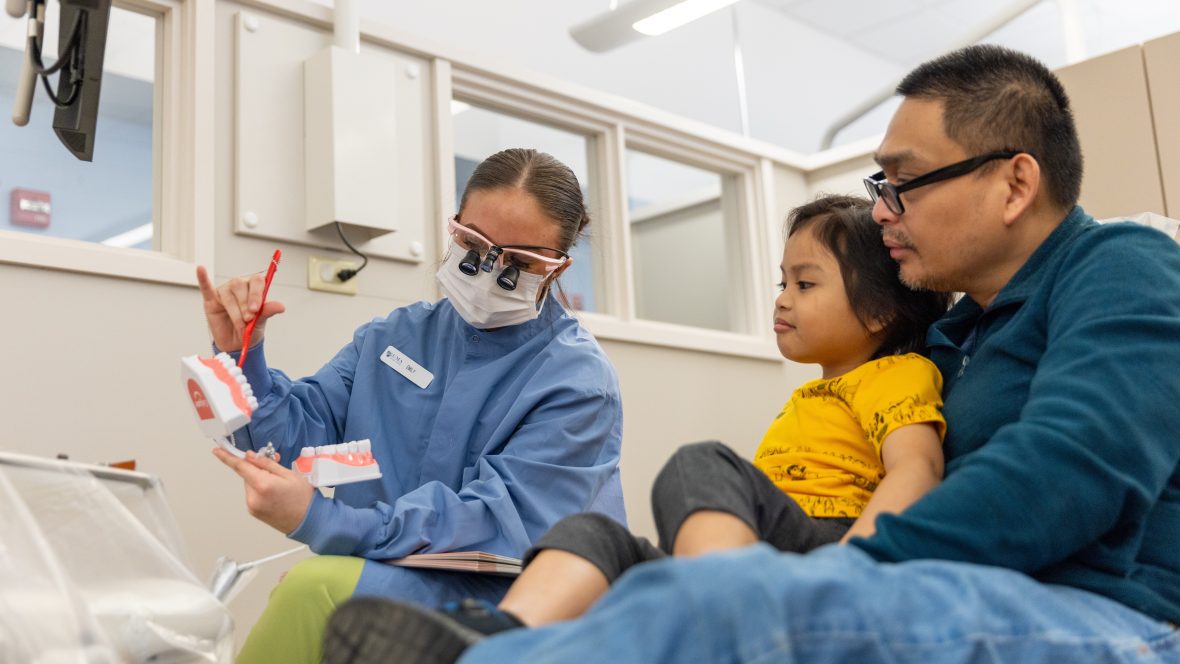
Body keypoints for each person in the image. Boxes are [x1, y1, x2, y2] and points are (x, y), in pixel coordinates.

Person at [350, 44, 1180, 663]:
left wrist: (863, 568)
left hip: (1103, 611)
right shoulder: (954, 335)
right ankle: (487, 646)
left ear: (1014, 182)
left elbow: (1069, 471)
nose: (883, 210)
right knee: (633, 556)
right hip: (948, 573)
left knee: (732, 600)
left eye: (901, 181)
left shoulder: (1124, 267)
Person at [321, 195, 954, 663]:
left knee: (699, 463)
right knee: (591, 534)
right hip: (770, 552)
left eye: (805, 283)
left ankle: (716, 615)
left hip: (826, 552)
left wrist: (851, 570)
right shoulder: (814, 394)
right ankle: (491, 642)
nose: (782, 299)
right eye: (781, 282)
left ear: (879, 309)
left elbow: (916, 469)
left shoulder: (898, 374)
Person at [196, 148, 627, 664]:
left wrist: (328, 524)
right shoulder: (397, 336)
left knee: (315, 591)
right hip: (394, 566)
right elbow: (292, 437)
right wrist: (244, 352)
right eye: (473, 243)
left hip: (516, 604)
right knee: (317, 593)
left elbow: (492, 526)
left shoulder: (576, 382)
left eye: (518, 261)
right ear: (455, 228)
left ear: (557, 268)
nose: (488, 271)